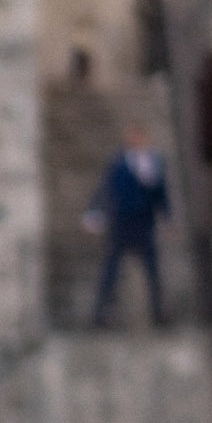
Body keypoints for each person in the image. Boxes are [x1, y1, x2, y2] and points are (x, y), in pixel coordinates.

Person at [86, 141, 171, 328]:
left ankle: (158, 312)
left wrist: (167, 218)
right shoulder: (118, 164)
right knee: (111, 271)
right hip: (121, 224)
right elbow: (105, 189)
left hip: (143, 224)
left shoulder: (152, 164)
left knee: (152, 271)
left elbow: (160, 193)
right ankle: (101, 313)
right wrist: (95, 213)